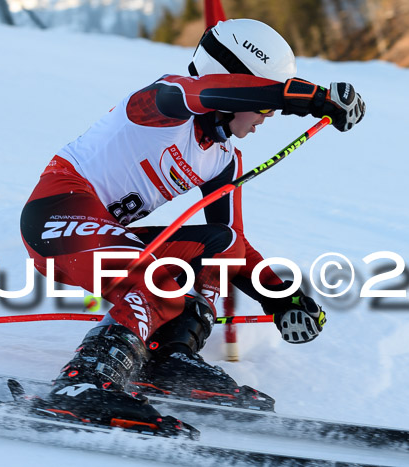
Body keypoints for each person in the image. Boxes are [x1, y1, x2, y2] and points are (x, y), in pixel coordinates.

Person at [19, 18, 365, 434]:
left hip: (110, 237)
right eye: (264, 106)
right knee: (155, 279)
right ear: (237, 84)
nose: (265, 118)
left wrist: (282, 298)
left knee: (221, 243)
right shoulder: (163, 101)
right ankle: (84, 384)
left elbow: (235, 247)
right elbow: (208, 92)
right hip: (56, 219)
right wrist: (307, 98)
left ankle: (169, 359)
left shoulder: (222, 158)